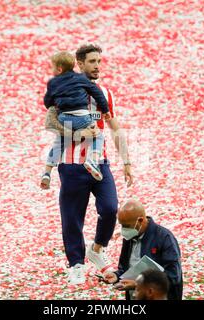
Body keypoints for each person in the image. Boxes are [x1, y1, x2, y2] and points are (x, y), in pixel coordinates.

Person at [44, 44, 133, 285]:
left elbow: (114, 127)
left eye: (99, 62)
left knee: (110, 208)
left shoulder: (105, 93)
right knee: (72, 218)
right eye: (92, 61)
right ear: (79, 64)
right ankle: (76, 265)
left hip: (100, 163)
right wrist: (79, 135)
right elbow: (51, 125)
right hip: (72, 165)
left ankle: (97, 249)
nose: (97, 66)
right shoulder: (63, 90)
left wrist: (126, 160)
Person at [40, 51, 111, 188]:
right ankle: (93, 160)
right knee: (97, 136)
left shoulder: (53, 82)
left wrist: (54, 104)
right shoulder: (80, 78)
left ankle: (47, 172)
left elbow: (47, 100)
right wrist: (105, 109)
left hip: (63, 118)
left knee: (59, 142)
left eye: (52, 67)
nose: (52, 70)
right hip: (81, 117)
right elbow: (96, 92)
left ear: (59, 69)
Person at [103, 200, 183, 300]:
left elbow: (173, 276)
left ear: (140, 220)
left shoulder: (164, 237)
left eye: (126, 226)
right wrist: (116, 276)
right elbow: (126, 268)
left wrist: (138, 284)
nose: (123, 230)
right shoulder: (129, 237)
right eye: (121, 225)